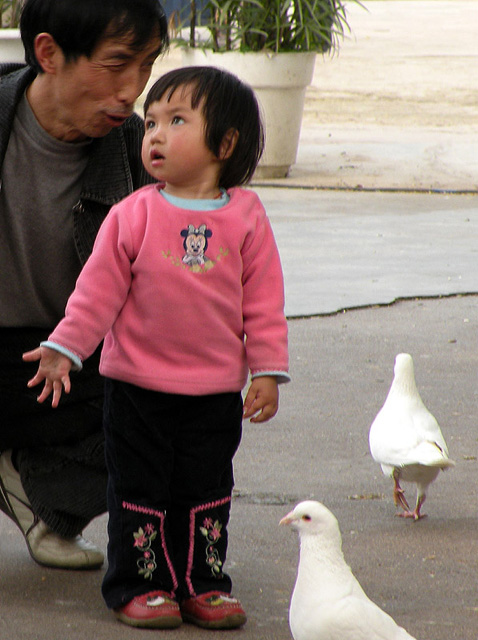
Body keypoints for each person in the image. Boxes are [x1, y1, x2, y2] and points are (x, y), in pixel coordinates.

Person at [23, 66, 290, 629]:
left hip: (214, 393)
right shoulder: (134, 213)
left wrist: (265, 370)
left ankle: (203, 584)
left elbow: (263, 302)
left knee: (207, 489)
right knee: (139, 488)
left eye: (176, 121)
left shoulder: (246, 217)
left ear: (226, 142)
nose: (155, 135)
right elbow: (95, 293)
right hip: (137, 388)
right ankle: (139, 585)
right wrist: (65, 348)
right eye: (150, 124)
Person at [0, 0, 169, 570]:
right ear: (48, 53)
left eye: (146, 66)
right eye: (116, 64)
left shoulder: (143, 155)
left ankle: (40, 497)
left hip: (72, 364)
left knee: (179, 417)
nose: (132, 90)